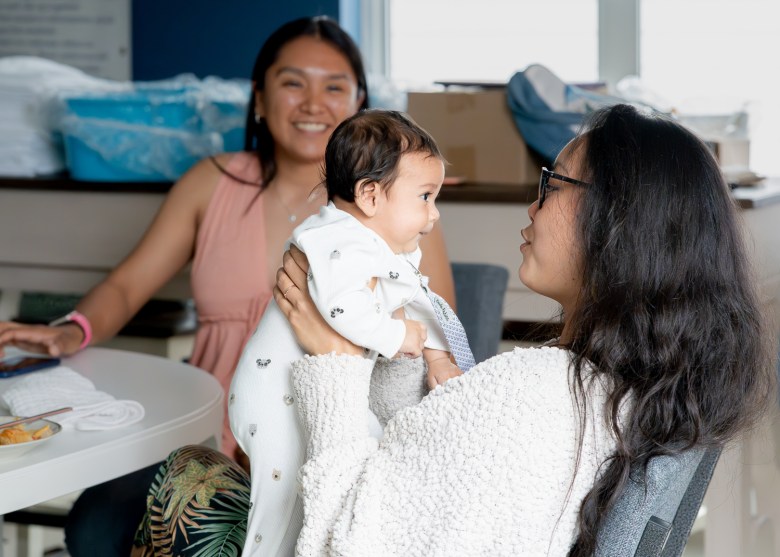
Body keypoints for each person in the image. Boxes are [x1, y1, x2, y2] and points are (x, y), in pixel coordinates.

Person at [134, 103, 774, 556]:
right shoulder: (614, 393)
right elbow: (435, 468)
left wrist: (331, 361)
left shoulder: (532, 392)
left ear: (618, 223)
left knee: (192, 477)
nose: (533, 201)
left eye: (553, 183)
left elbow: (345, 540)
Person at [0, 16, 456, 557]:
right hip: (203, 426)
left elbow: (432, 325)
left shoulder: (403, 213)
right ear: (259, 99)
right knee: (100, 527)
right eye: (293, 83)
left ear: (359, 104)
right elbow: (126, 286)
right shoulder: (209, 182)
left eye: (334, 87)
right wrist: (71, 332)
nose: (314, 103)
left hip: (333, 429)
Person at [230, 109, 471, 557]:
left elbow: (421, 299)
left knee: (354, 466)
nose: (434, 214)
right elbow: (341, 308)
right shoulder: (334, 238)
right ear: (370, 195)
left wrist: (437, 357)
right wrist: (395, 337)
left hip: (318, 384)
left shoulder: (383, 246)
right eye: (424, 197)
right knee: (280, 496)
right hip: (272, 391)